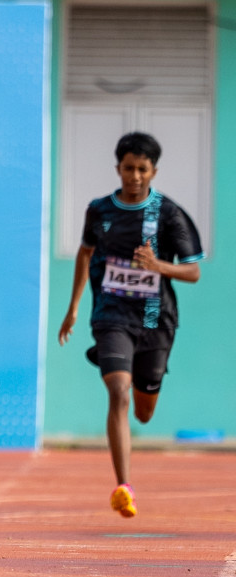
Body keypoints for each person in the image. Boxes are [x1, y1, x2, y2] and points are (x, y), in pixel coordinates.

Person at [57, 131, 203, 518]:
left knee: (143, 410)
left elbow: (193, 272)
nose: (134, 176)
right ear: (117, 168)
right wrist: (73, 307)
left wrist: (158, 266)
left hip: (155, 320)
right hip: (111, 316)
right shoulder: (99, 211)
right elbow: (85, 253)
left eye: (142, 169)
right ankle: (123, 487)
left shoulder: (169, 214)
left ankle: (146, 391)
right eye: (128, 168)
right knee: (118, 391)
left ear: (153, 171)